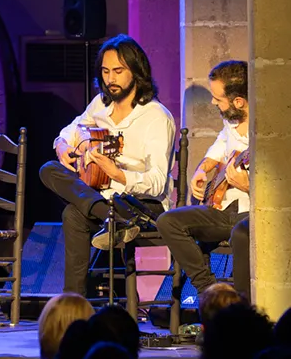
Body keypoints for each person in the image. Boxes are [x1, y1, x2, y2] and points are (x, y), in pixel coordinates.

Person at [39, 34, 176, 295]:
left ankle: (72, 300)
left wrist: (119, 174)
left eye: (117, 71)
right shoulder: (100, 104)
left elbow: (158, 183)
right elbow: (70, 130)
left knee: (72, 214)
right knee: (48, 169)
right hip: (104, 200)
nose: (110, 79)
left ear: (137, 72)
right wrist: (63, 145)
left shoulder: (156, 117)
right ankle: (75, 305)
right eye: (105, 71)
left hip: (140, 204)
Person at [157, 60, 251, 299]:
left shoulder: (266, 132)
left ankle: (242, 311)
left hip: (251, 213)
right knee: (168, 221)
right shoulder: (231, 121)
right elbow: (217, 148)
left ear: (238, 101)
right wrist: (202, 170)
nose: (213, 102)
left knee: (242, 234)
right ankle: (209, 291)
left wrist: (248, 186)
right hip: (222, 210)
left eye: (218, 99)